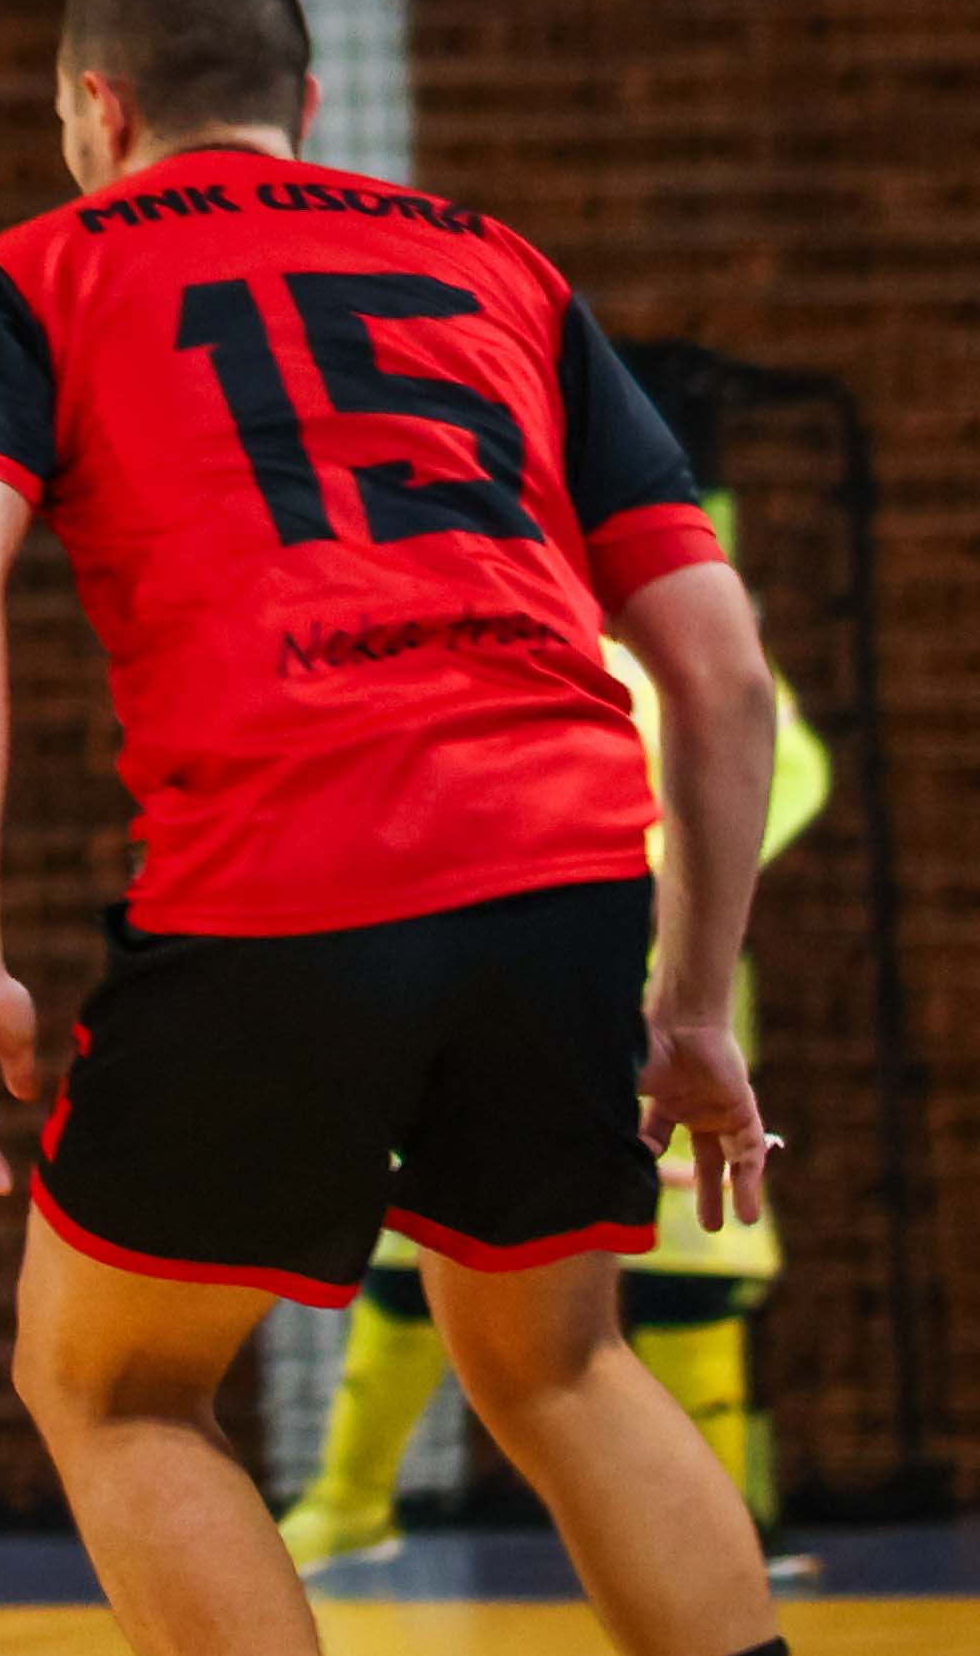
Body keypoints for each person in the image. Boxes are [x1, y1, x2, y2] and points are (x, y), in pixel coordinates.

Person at [0, 0, 930, 1656]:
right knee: (555, 1358)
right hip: (559, 861)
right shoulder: (496, 266)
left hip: (284, 865)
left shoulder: (33, 277)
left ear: (92, 108)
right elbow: (718, 669)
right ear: (308, 99)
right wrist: (690, 996)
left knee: (106, 1383)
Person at [284, 621, 832, 1572]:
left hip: (658, 981)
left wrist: (685, 872)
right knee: (419, 1224)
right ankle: (350, 1500)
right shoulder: (474, 635)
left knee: (689, 1245)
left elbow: (786, 765)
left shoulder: (682, 646)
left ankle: (725, 1528)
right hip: (491, 964)